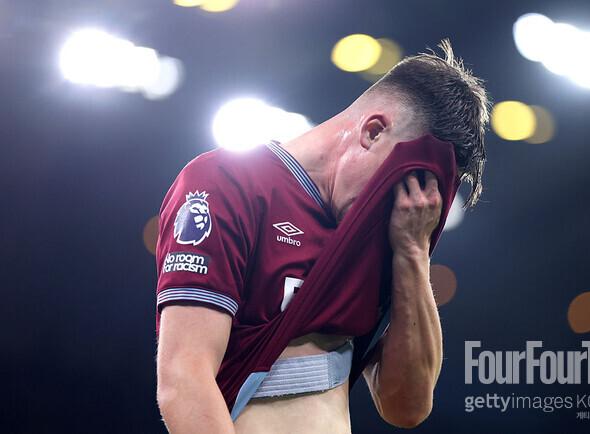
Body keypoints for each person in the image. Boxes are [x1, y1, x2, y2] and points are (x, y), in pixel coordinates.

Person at [155, 40, 489, 434]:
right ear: (373, 132)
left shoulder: (383, 240)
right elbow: (184, 380)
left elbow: (407, 407)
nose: (403, 206)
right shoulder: (227, 182)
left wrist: (414, 252)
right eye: (402, 185)